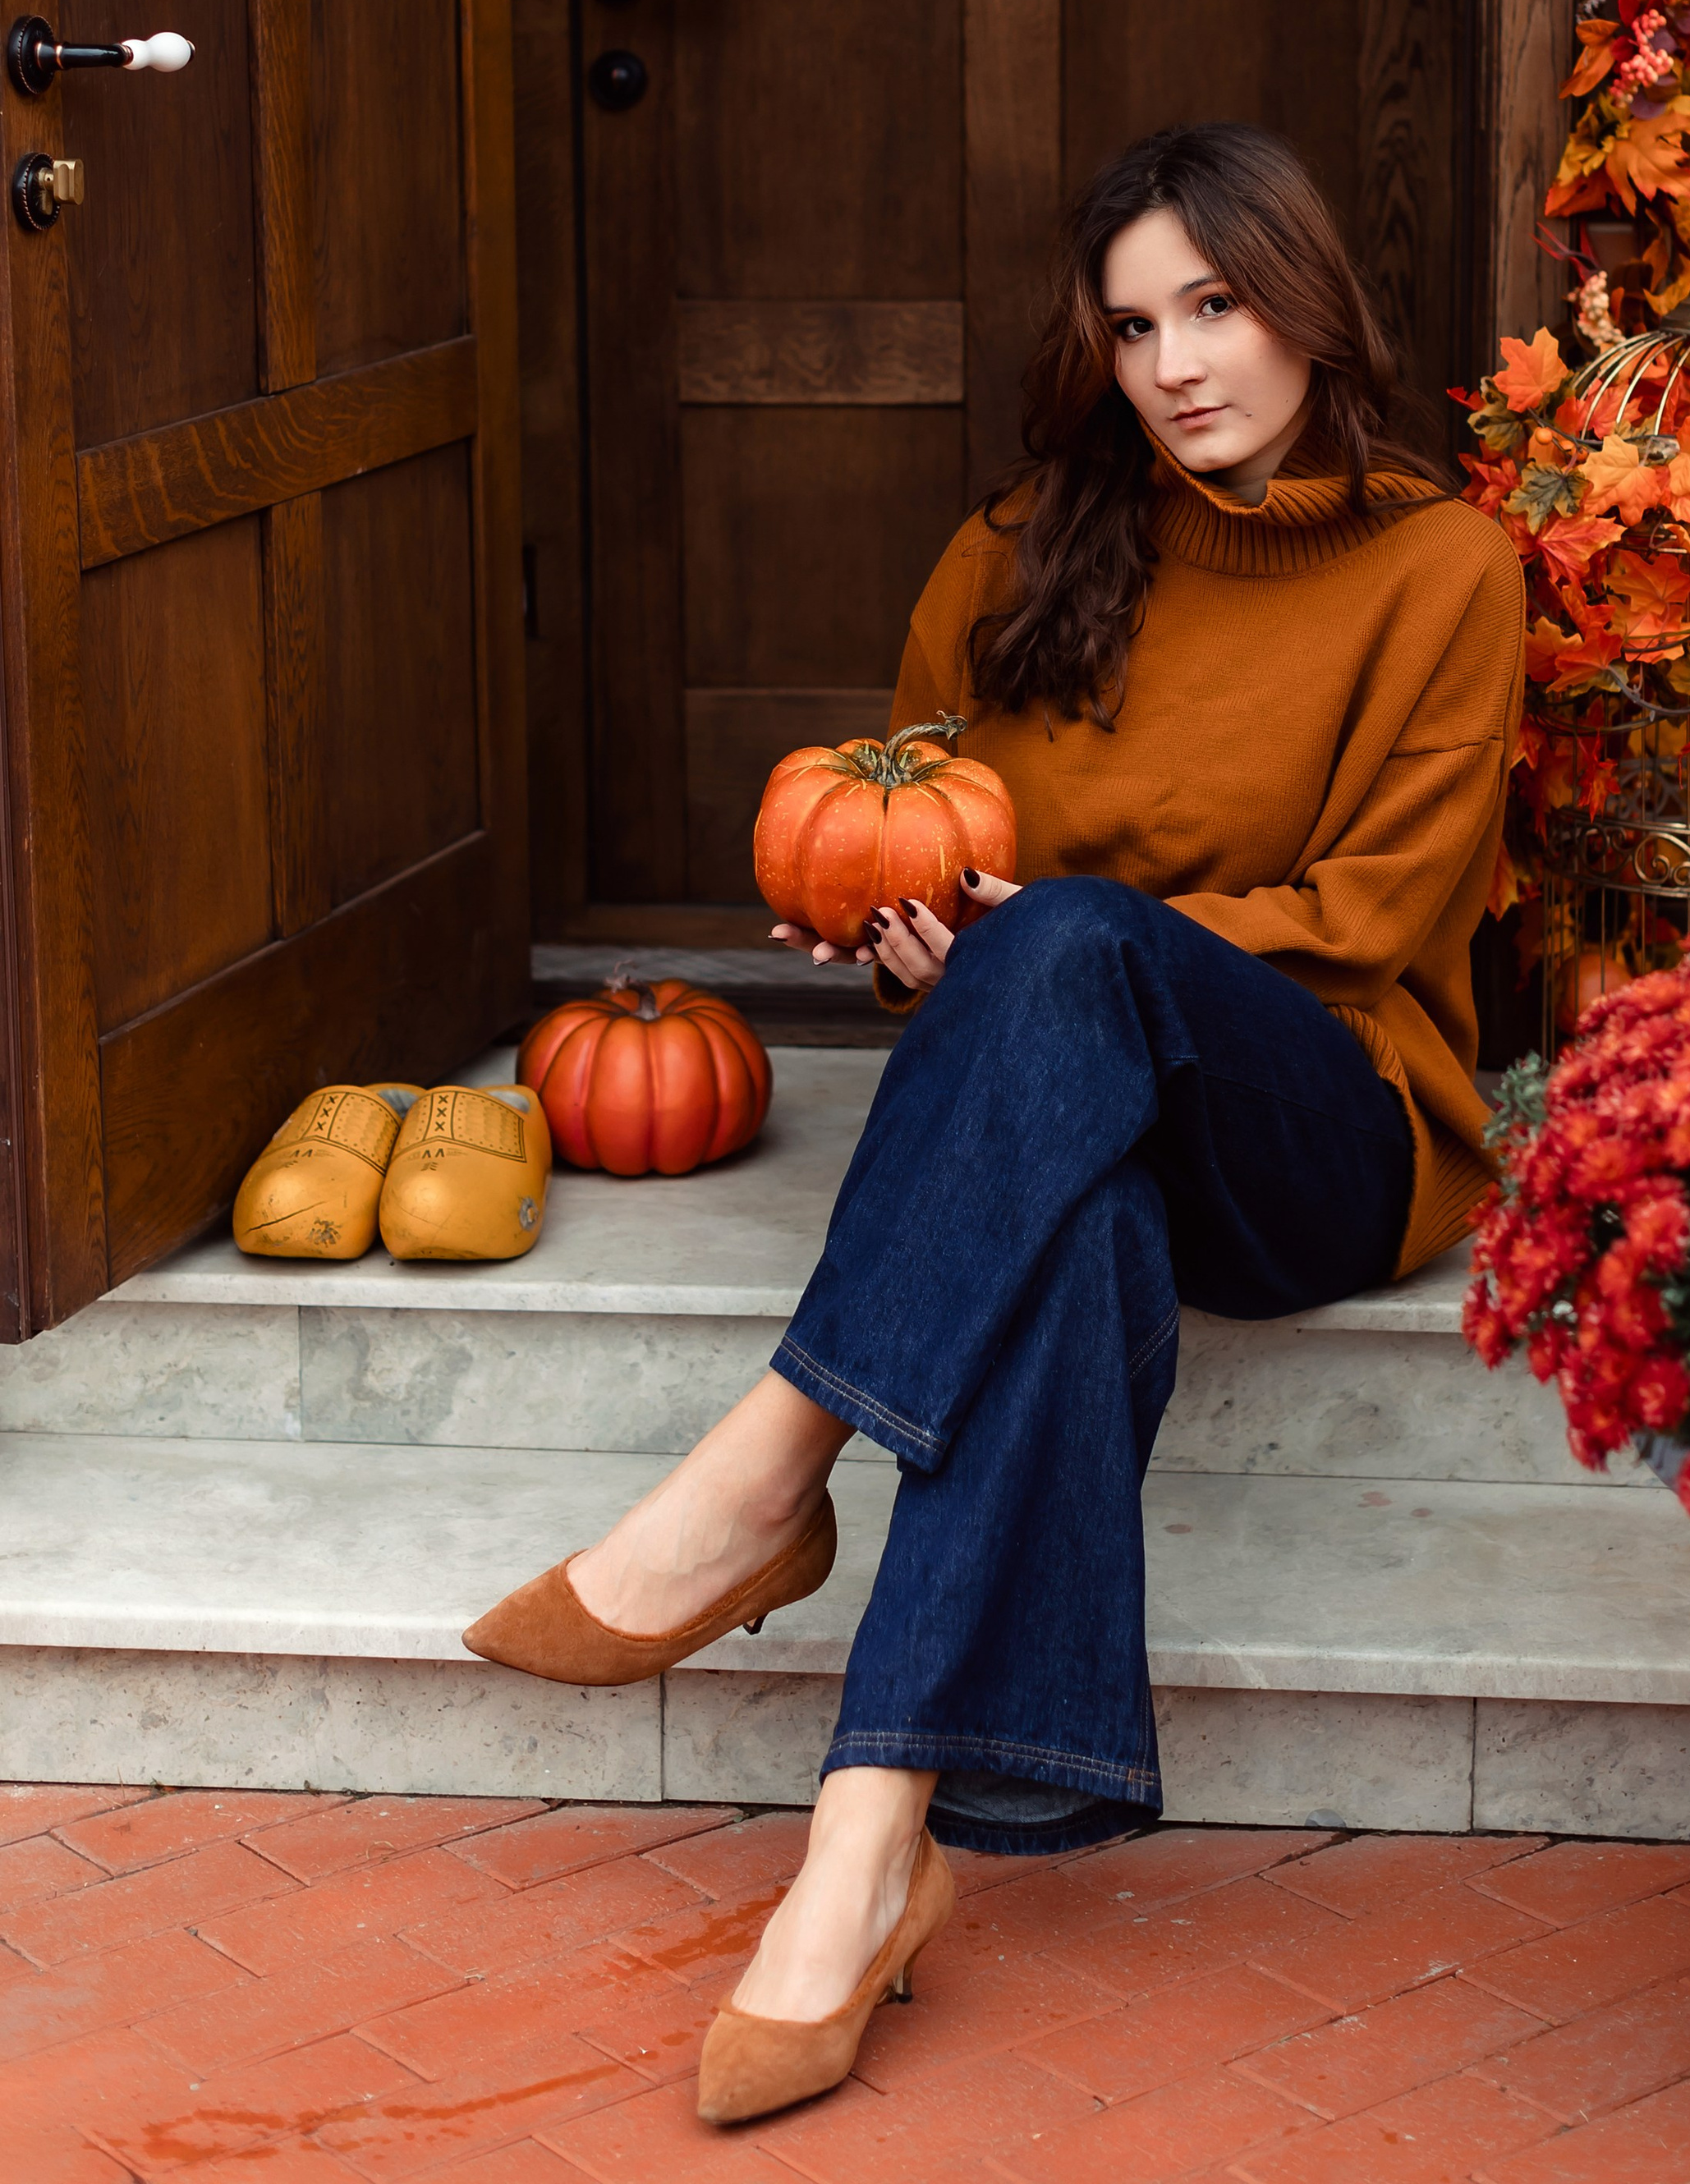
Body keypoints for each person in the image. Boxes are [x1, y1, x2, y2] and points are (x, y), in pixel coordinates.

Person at [465, 122, 1525, 2126]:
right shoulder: (1013, 553)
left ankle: (767, 1463)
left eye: (1213, 307)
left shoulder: (1440, 566)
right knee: (1074, 1203)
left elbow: (1372, 920)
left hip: (1328, 1123)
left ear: (1308, 304)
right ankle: (866, 1854)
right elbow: (916, 916)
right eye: (1131, 325)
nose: (1175, 363)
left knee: (1076, 948)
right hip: (1075, 1114)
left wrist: (1050, 946)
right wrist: (905, 944)